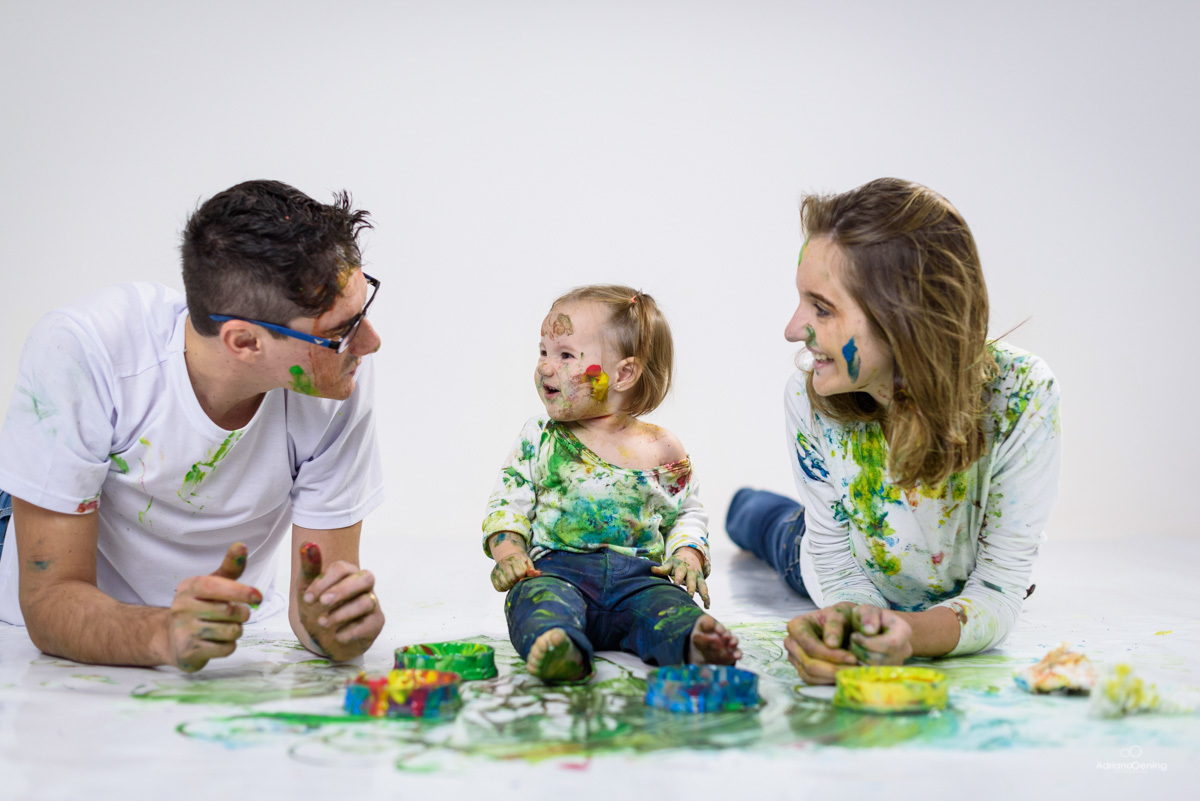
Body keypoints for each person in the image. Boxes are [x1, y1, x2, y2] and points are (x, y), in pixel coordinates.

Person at [0, 180, 387, 672]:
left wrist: (335, 628)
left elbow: (315, 612)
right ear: (244, 342)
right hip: (49, 633)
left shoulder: (332, 382)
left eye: (362, 312)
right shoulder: (83, 351)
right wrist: (162, 633)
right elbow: (48, 600)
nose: (371, 343)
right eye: (341, 331)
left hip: (234, 635)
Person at [727, 178, 1061, 684]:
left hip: (933, 578)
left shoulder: (1022, 397)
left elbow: (999, 589)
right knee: (758, 521)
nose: (793, 329)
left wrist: (906, 632)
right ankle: (746, 505)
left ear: (902, 318)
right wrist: (861, 626)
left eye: (821, 307)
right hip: (824, 559)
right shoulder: (809, 398)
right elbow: (835, 564)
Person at [482, 285, 742, 682]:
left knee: (669, 608)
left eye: (566, 355)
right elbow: (508, 504)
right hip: (555, 573)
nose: (546, 367)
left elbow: (686, 514)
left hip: (640, 581)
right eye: (543, 352)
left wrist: (688, 557)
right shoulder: (540, 437)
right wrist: (510, 556)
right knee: (533, 601)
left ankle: (694, 642)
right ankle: (558, 643)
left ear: (623, 373)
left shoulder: (660, 447)